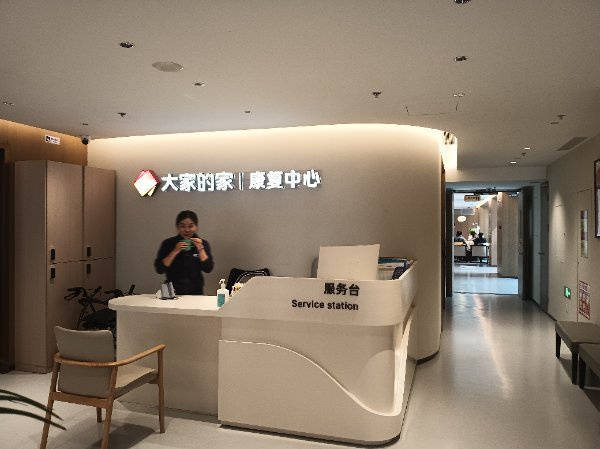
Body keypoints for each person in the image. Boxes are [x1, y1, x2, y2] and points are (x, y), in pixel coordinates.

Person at [154, 210, 214, 295]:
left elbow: (208, 268)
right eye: (182, 226)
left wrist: (201, 249)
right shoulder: (168, 243)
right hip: (171, 290)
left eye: (191, 226)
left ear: (196, 227)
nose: (187, 230)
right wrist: (175, 251)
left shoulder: (202, 243)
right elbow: (159, 269)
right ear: (177, 227)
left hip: (195, 291)